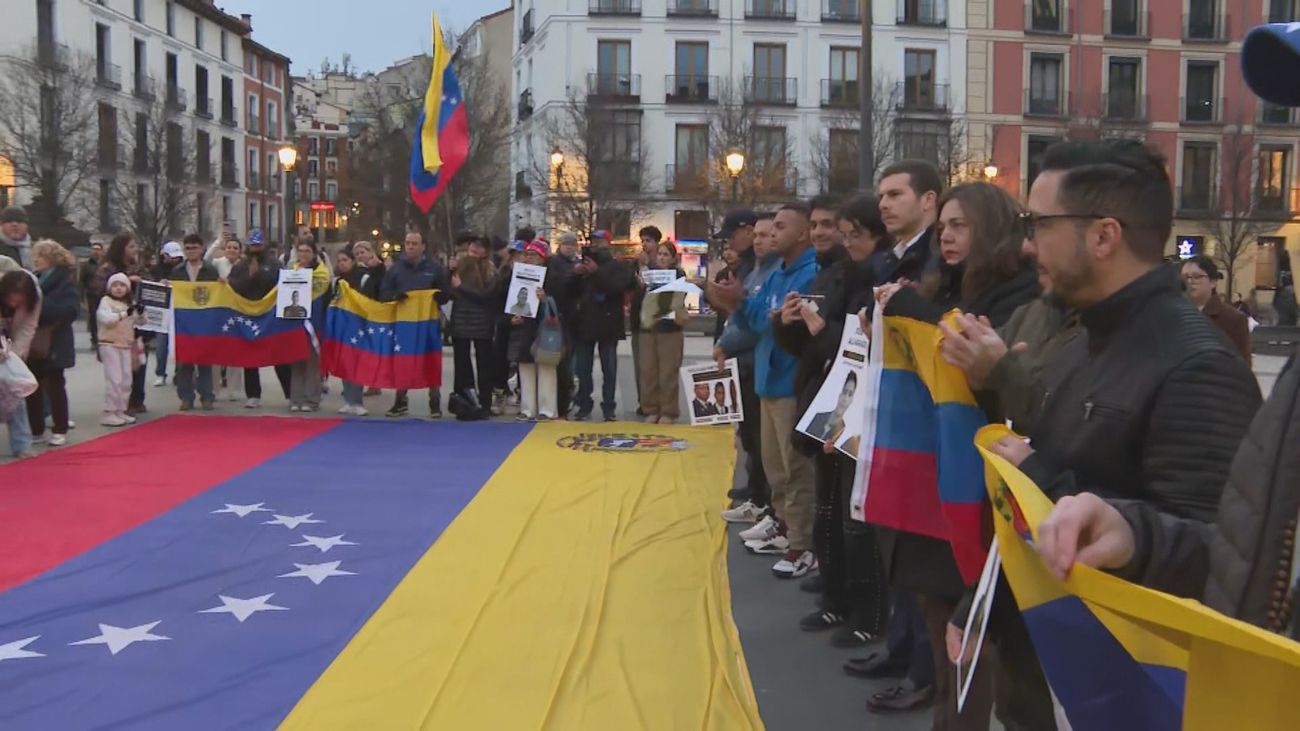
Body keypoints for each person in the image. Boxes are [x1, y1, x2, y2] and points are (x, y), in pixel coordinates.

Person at [969, 139, 1263, 726]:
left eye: (1039, 224)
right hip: (1051, 664)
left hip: (1125, 694)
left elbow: (1229, 565)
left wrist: (1046, 480)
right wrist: (979, 610)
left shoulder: (1198, 366)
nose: (1027, 245)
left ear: (1103, 236)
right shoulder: (1081, 341)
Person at [871, 181, 1042, 724]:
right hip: (937, 472)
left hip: (979, 478)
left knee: (976, 641)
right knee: (939, 617)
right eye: (943, 227)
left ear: (991, 230)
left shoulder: (1017, 295)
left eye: (959, 226)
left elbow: (980, 372)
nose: (945, 236)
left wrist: (915, 312)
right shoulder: (946, 286)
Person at [714, 204, 821, 579]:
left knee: (795, 469)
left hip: (789, 381)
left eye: (779, 227)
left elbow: (772, 322)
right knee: (775, 466)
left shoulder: (809, 273)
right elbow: (759, 319)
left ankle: (802, 543)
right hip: (768, 379)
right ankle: (784, 524)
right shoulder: (778, 272)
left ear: (802, 234)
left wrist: (745, 305)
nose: (771, 233)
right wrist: (738, 303)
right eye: (768, 228)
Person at [714, 212, 777, 519]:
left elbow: (755, 320)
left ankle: (764, 499)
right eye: (759, 235)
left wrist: (726, 343)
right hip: (747, 361)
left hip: (758, 361)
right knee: (751, 433)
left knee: (763, 437)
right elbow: (739, 314)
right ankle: (756, 490)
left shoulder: (768, 269)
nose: (758, 241)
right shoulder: (753, 268)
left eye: (766, 235)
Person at [567, 229, 635, 421]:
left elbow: (616, 288)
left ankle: (609, 406)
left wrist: (596, 272)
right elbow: (570, 292)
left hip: (608, 323)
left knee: (609, 369)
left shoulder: (617, 266)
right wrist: (575, 275)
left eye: (599, 241)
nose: (595, 244)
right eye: (593, 241)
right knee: (583, 369)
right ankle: (583, 404)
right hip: (585, 322)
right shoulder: (583, 264)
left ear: (608, 243)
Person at [382, 230, 451, 418]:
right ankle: (400, 401)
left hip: (428, 322)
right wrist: (395, 296)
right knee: (403, 361)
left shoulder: (435, 269)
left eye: (414, 243)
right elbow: (384, 292)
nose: (410, 247)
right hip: (404, 324)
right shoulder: (396, 269)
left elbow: (445, 295)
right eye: (408, 243)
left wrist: (439, 295)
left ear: (423, 246)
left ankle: (434, 402)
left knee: (431, 360)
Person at [25, 240, 79, 448]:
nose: (36, 260)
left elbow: (70, 311)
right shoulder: (33, 279)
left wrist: (40, 303)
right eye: (35, 255)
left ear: (53, 258)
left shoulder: (65, 280)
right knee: (32, 386)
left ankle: (60, 428)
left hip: (56, 340)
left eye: (41, 255)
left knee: (55, 385)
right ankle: (36, 429)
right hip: (33, 340)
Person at [635, 242, 688, 424]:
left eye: (666, 255)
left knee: (668, 372)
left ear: (673, 258)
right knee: (648, 371)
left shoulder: (678, 275)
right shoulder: (648, 273)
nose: (662, 258)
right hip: (648, 328)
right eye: (660, 254)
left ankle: (668, 411)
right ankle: (650, 408)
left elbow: (676, 300)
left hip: (670, 329)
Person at [226, 229, 279, 409]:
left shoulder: (274, 263)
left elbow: (281, 284)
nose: (255, 248)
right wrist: (249, 276)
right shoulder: (240, 266)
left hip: (270, 314)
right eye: (252, 245)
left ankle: (289, 392)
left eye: (258, 244)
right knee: (249, 357)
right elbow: (233, 287)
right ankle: (253, 395)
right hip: (247, 314)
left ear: (263, 244)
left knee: (279, 356)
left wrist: (260, 274)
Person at [508, 241, 559, 421]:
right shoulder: (518, 274)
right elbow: (511, 300)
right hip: (525, 327)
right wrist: (513, 317)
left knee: (546, 366)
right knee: (525, 365)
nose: (529, 258)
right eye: (527, 254)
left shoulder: (552, 276)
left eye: (533, 255)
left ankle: (547, 409)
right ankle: (527, 408)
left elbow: (560, 303)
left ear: (542, 258)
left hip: (545, 327)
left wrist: (545, 299)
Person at [448, 234, 498, 413]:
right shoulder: (459, 266)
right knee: (462, 364)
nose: (475, 248)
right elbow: (447, 291)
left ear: (486, 251)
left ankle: (485, 402)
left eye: (480, 246)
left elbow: (485, 296)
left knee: (484, 365)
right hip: (461, 320)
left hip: (482, 322)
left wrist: (461, 288)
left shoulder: (490, 270)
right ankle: (464, 399)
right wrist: (449, 271)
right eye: (473, 245)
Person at [169, 234, 219, 411]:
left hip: (205, 320)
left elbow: (217, 294)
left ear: (201, 249)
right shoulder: (177, 271)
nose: (191, 251)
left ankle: (207, 396)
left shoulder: (210, 270)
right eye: (187, 248)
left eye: (194, 248)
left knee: (205, 361)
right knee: (184, 362)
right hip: (184, 321)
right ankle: (186, 397)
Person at [334, 242, 384, 416]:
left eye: (345, 260)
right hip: (342, 326)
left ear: (352, 261)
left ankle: (357, 401)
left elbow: (370, 300)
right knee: (345, 364)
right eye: (339, 261)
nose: (342, 263)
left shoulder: (364, 278)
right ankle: (348, 400)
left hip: (359, 326)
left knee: (357, 364)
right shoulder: (337, 281)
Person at [0, 267, 41, 458]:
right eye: (11, 297)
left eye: (20, 298)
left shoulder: (35, 296)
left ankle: (22, 444)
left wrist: (13, 358)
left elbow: (28, 328)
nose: (15, 301)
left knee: (16, 392)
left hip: (9, 349)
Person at [1182, 255, 1251, 366]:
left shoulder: (1233, 319)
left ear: (1213, 282)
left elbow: (1242, 366)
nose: (1190, 282)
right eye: (1185, 277)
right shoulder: (1174, 314)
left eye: (1197, 277)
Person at [288, 241, 329, 412]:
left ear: (314, 253)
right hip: (295, 321)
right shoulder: (291, 271)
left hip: (313, 322)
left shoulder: (321, 273)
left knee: (312, 363)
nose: (303, 254)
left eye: (307, 251)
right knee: (297, 362)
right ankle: (295, 399)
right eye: (301, 250)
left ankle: (311, 399)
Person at [96, 273, 141, 427]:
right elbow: (107, 319)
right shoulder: (105, 301)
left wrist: (141, 313)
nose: (119, 288)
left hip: (126, 344)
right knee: (114, 379)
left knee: (126, 379)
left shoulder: (129, 303)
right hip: (109, 343)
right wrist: (124, 313)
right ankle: (110, 411)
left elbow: (140, 322)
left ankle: (121, 409)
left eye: (122, 285)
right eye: (115, 285)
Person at [631, 225, 665, 415]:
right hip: (639, 321)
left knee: (657, 365)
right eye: (642, 241)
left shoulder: (661, 264)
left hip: (658, 322)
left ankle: (658, 401)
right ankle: (643, 401)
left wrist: (647, 268)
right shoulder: (637, 263)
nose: (645, 244)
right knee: (640, 365)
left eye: (648, 241)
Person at [149, 241, 184, 387]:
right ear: (165, 255)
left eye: (177, 257)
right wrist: (159, 282)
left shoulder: (183, 268)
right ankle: (160, 373)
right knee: (162, 344)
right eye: (172, 257)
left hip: (179, 308)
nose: (175, 260)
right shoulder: (156, 269)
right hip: (162, 311)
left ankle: (180, 374)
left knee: (180, 343)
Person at [79, 241, 104, 349]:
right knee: (93, 317)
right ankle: (94, 339)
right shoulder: (86, 265)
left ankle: (103, 338)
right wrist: (81, 298)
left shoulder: (105, 265)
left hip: (103, 295)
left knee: (103, 317)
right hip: (91, 295)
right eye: (94, 249)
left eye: (98, 249)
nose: (96, 252)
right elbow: (81, 282)